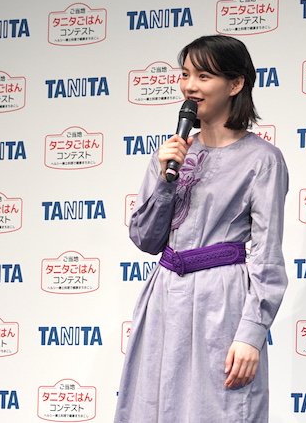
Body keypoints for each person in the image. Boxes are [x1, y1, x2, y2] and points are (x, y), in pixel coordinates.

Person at [115, 35, 289, 423]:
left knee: (220, 409)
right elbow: (145, 239)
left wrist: (251, 334)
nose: (190, 86)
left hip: (221, 301)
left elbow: (267, 256)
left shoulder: (262, 160)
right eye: (185, 75)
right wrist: (164, 180)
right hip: (164, 298)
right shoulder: (172, 152)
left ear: (236, 83)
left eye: (203, 76)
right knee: (154, 406)